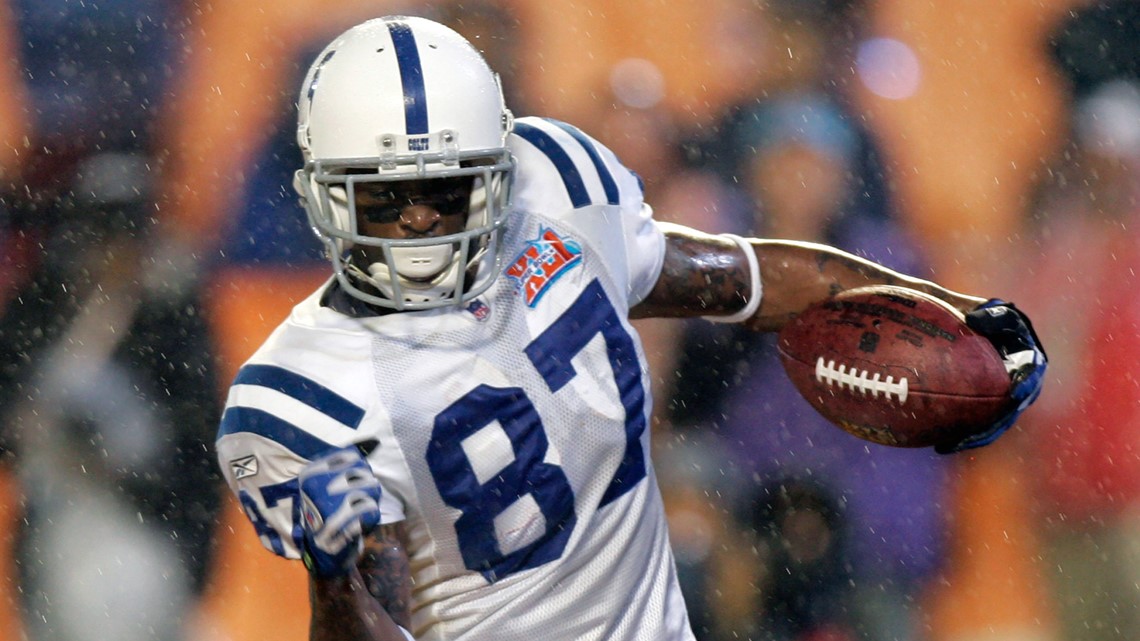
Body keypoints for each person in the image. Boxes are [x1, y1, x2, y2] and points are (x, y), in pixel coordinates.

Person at [213, 15, 1047, 641]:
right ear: (326, 199)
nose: (422, 220)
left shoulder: (558, 191)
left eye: (449, 189)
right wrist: (335, 573)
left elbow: (746, 276)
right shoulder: (302, 394)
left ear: (499, 175)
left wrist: (954, 314)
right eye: (386, 199)